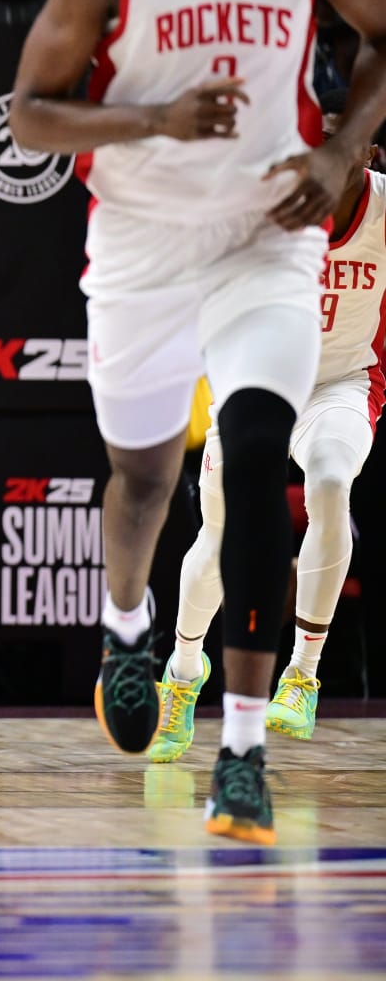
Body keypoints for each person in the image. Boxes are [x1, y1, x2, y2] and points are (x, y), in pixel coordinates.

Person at [5, 0, 386, 845]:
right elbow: (31, 114)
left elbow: (382, 34)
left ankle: (245, 750)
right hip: (143, 246)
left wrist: (341, 146)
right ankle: (128, 631)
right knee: (143, 478)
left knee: (262, 458)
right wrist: (153, 117)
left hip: (269, 238)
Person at [154, 158, 386, 762]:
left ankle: (302, 676)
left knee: (332, 484)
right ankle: (181, 674)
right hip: (257, 380)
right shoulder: (254, 197)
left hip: (342, 383)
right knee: (219, 534)